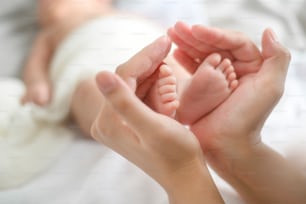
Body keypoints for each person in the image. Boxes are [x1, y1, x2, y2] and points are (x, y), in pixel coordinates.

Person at [90, 23, 306, 203]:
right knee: (159, 65)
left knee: (94, 88)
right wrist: (236, 145)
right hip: (120, 30)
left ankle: (176, 97)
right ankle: (181, 95)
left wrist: (184, 172)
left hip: (91, 42)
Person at [21, 0, 239, 139]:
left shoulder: (120, 13)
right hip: (86, 56)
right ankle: (117, 113)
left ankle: (189, 94)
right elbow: (36, 66)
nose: (49, 5)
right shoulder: (49, 34)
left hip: (135, 39)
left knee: (166, 63)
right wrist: (37, 85)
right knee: (88, 90)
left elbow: (159, 32)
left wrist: (185, 46)